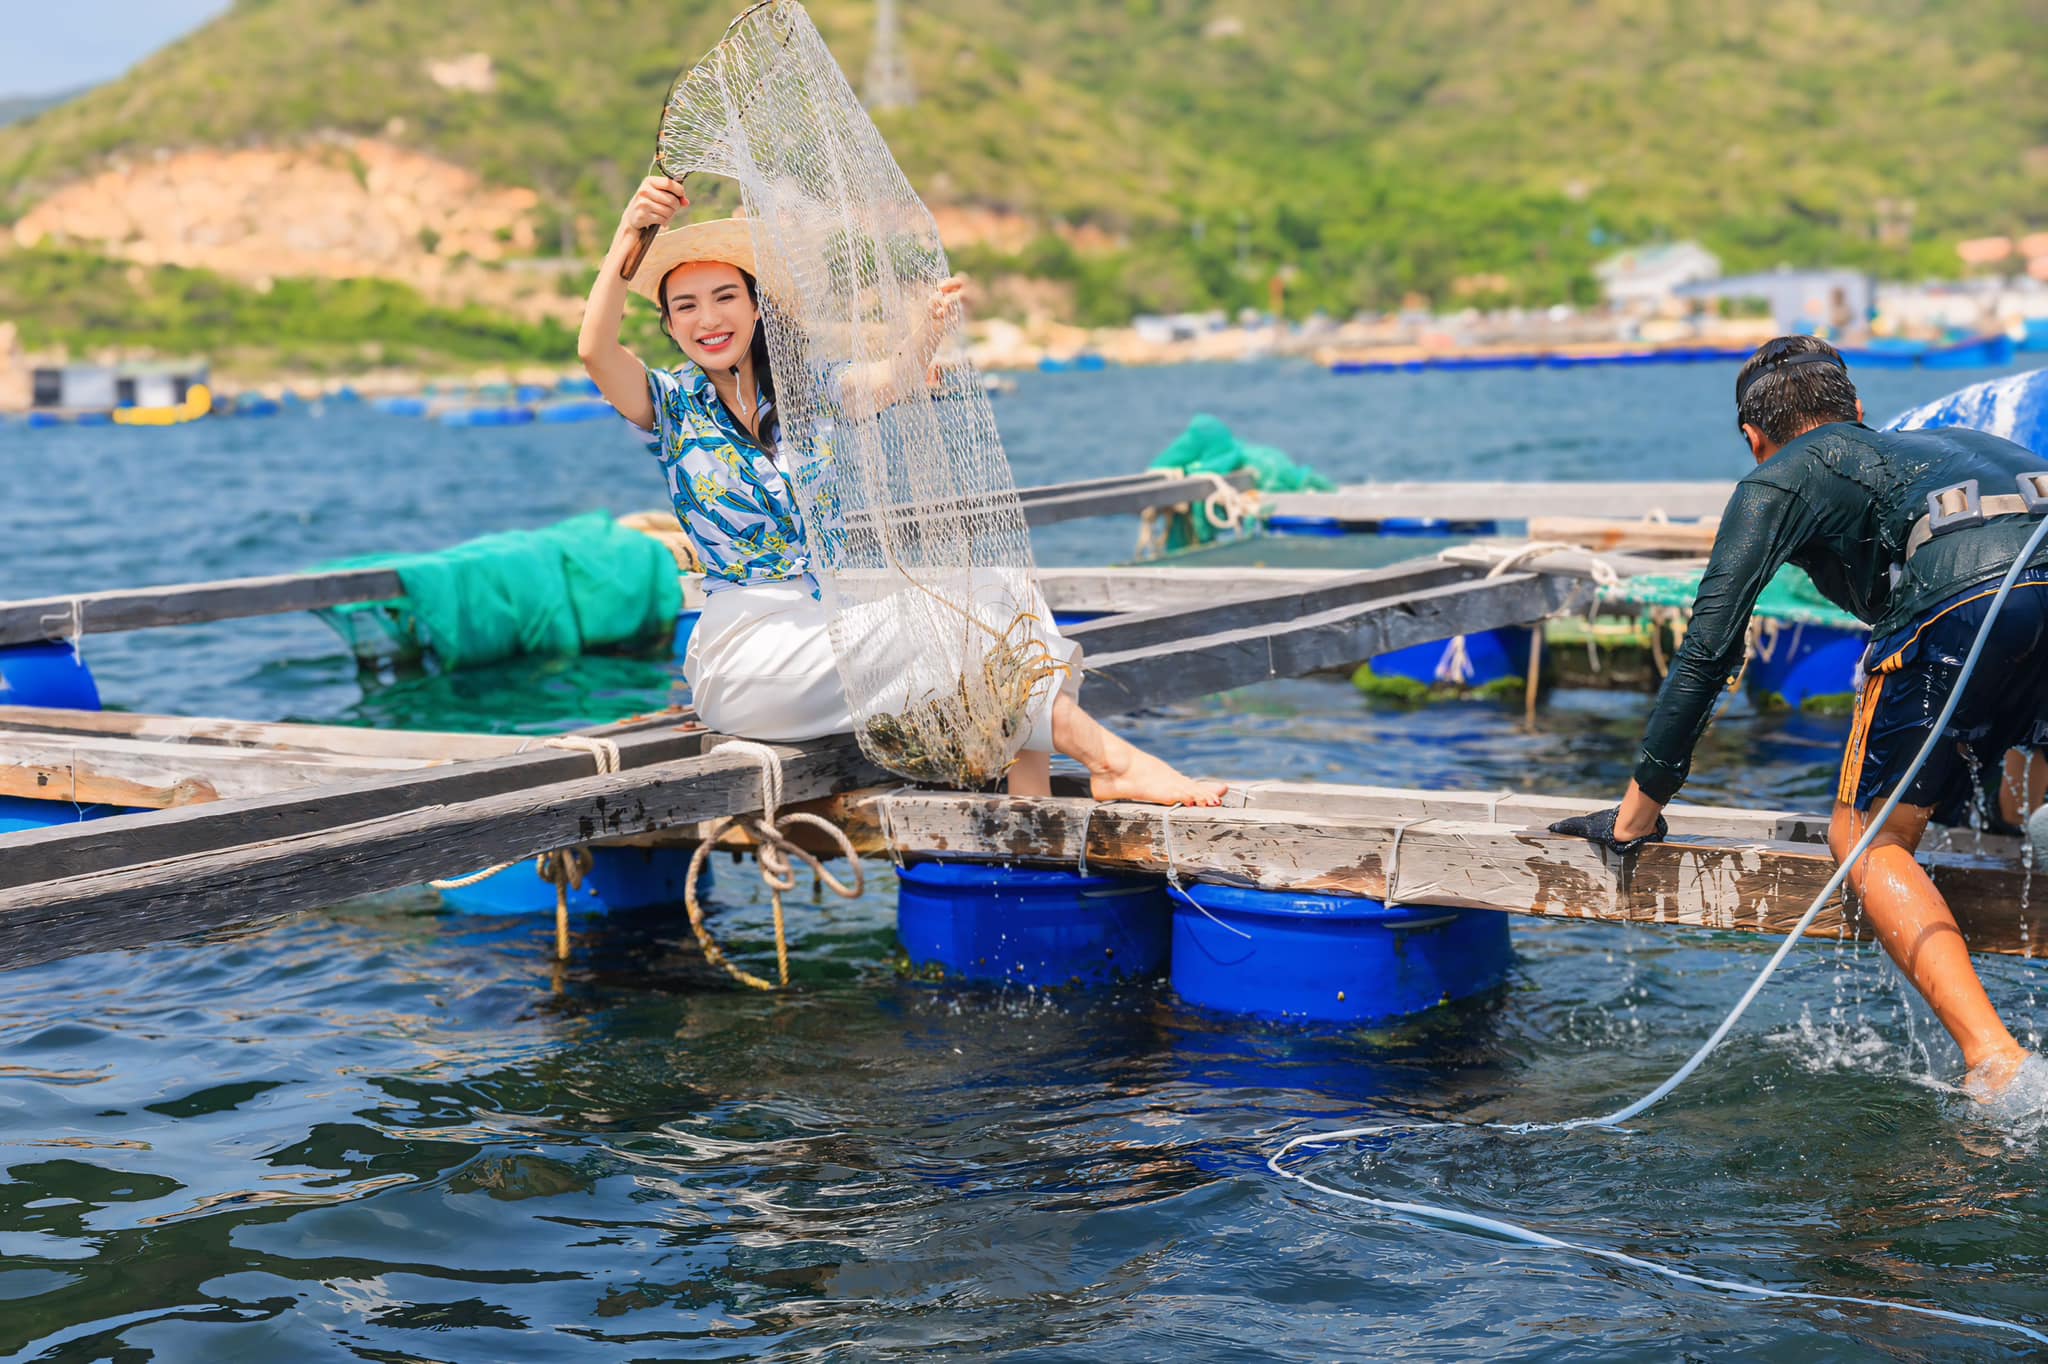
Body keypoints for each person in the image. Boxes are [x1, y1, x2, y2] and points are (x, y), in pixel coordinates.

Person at [577, 176, 1224, 807]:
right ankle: (1113, 760)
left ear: (756, 306)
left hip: (832, 627)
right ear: (666, 323)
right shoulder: (667, 407)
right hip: (749, 655)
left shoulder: (807, 395)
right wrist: (629, 235)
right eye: (685, 306)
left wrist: (925, 333)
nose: (708, 319)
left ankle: (1035, 786)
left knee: (1004, 589)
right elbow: (593, 348)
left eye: (725, 297)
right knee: (946, 624)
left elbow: (887, 379)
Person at [1551, 334, 2048, 1097]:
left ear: (1755, 441)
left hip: (1962, 593)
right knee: (2020, 798)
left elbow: (1707, 651)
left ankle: (1995, 1059)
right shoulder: (1959, 442)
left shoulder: (1778, 478)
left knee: (1867, 838)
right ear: (1855, 408)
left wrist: (1636, 814)